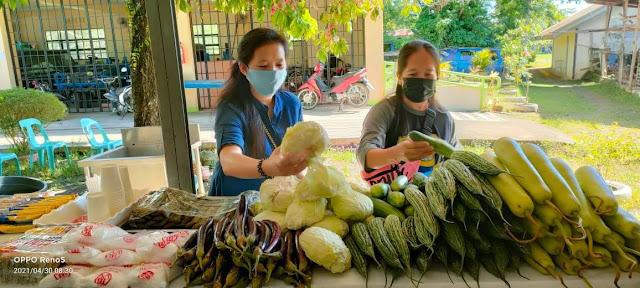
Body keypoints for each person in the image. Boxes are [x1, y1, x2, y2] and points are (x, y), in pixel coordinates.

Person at [209, 28, 307, 196]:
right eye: (263, 65)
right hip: (234, 200)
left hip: (274, 198)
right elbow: (229, 160)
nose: (273, 72)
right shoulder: (231, 107)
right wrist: (268, 167)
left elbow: (299, 156)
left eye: (279, 64)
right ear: (244, 68)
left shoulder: (292, 103)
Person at [357, 40, 459, 186]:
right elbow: (365, 156)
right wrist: (397, 153)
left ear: (437, 76)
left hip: (433, 201)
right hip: (392, 201)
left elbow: (455, 162)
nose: (421, 79)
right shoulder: (385, 111)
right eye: (413, 73)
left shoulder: (444, 118)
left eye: (428, 74)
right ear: (399, 78)